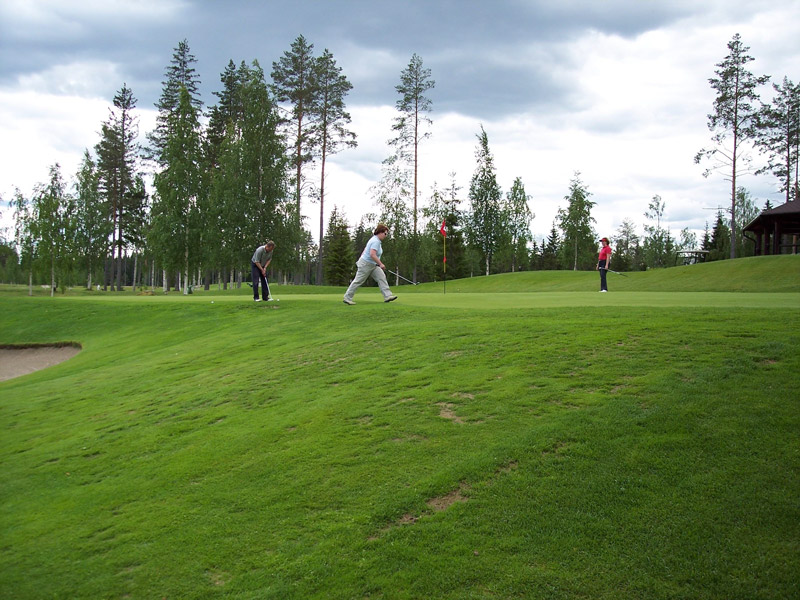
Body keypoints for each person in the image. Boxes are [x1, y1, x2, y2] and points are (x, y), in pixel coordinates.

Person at [343, 224, 398, 305]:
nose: (386, 236)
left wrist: (376, 263)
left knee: (381, 277)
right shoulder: (375, 241)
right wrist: (381, 264)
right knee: (358, 281)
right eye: (385, 233)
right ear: (380, 232)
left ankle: (387, 296)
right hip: (366, 264)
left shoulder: (375, 240)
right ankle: (347, 297)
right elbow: (372, 254)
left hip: (373, 265)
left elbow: (366, 250)